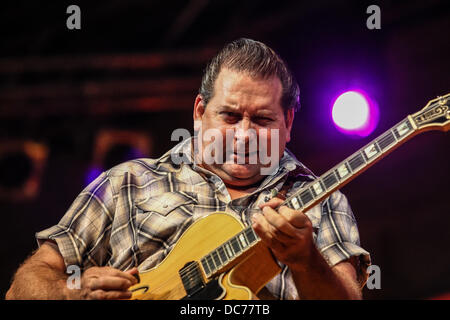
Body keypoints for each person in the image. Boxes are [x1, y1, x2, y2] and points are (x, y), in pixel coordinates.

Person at [6, 38, 370, 300]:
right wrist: (73, 291)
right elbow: (21, 289)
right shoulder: (126, 183)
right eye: (229, 116)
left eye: (262, 119)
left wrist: (307, 262)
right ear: (199, 113)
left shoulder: (321, 200)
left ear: (288, 121)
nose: (244, 135)